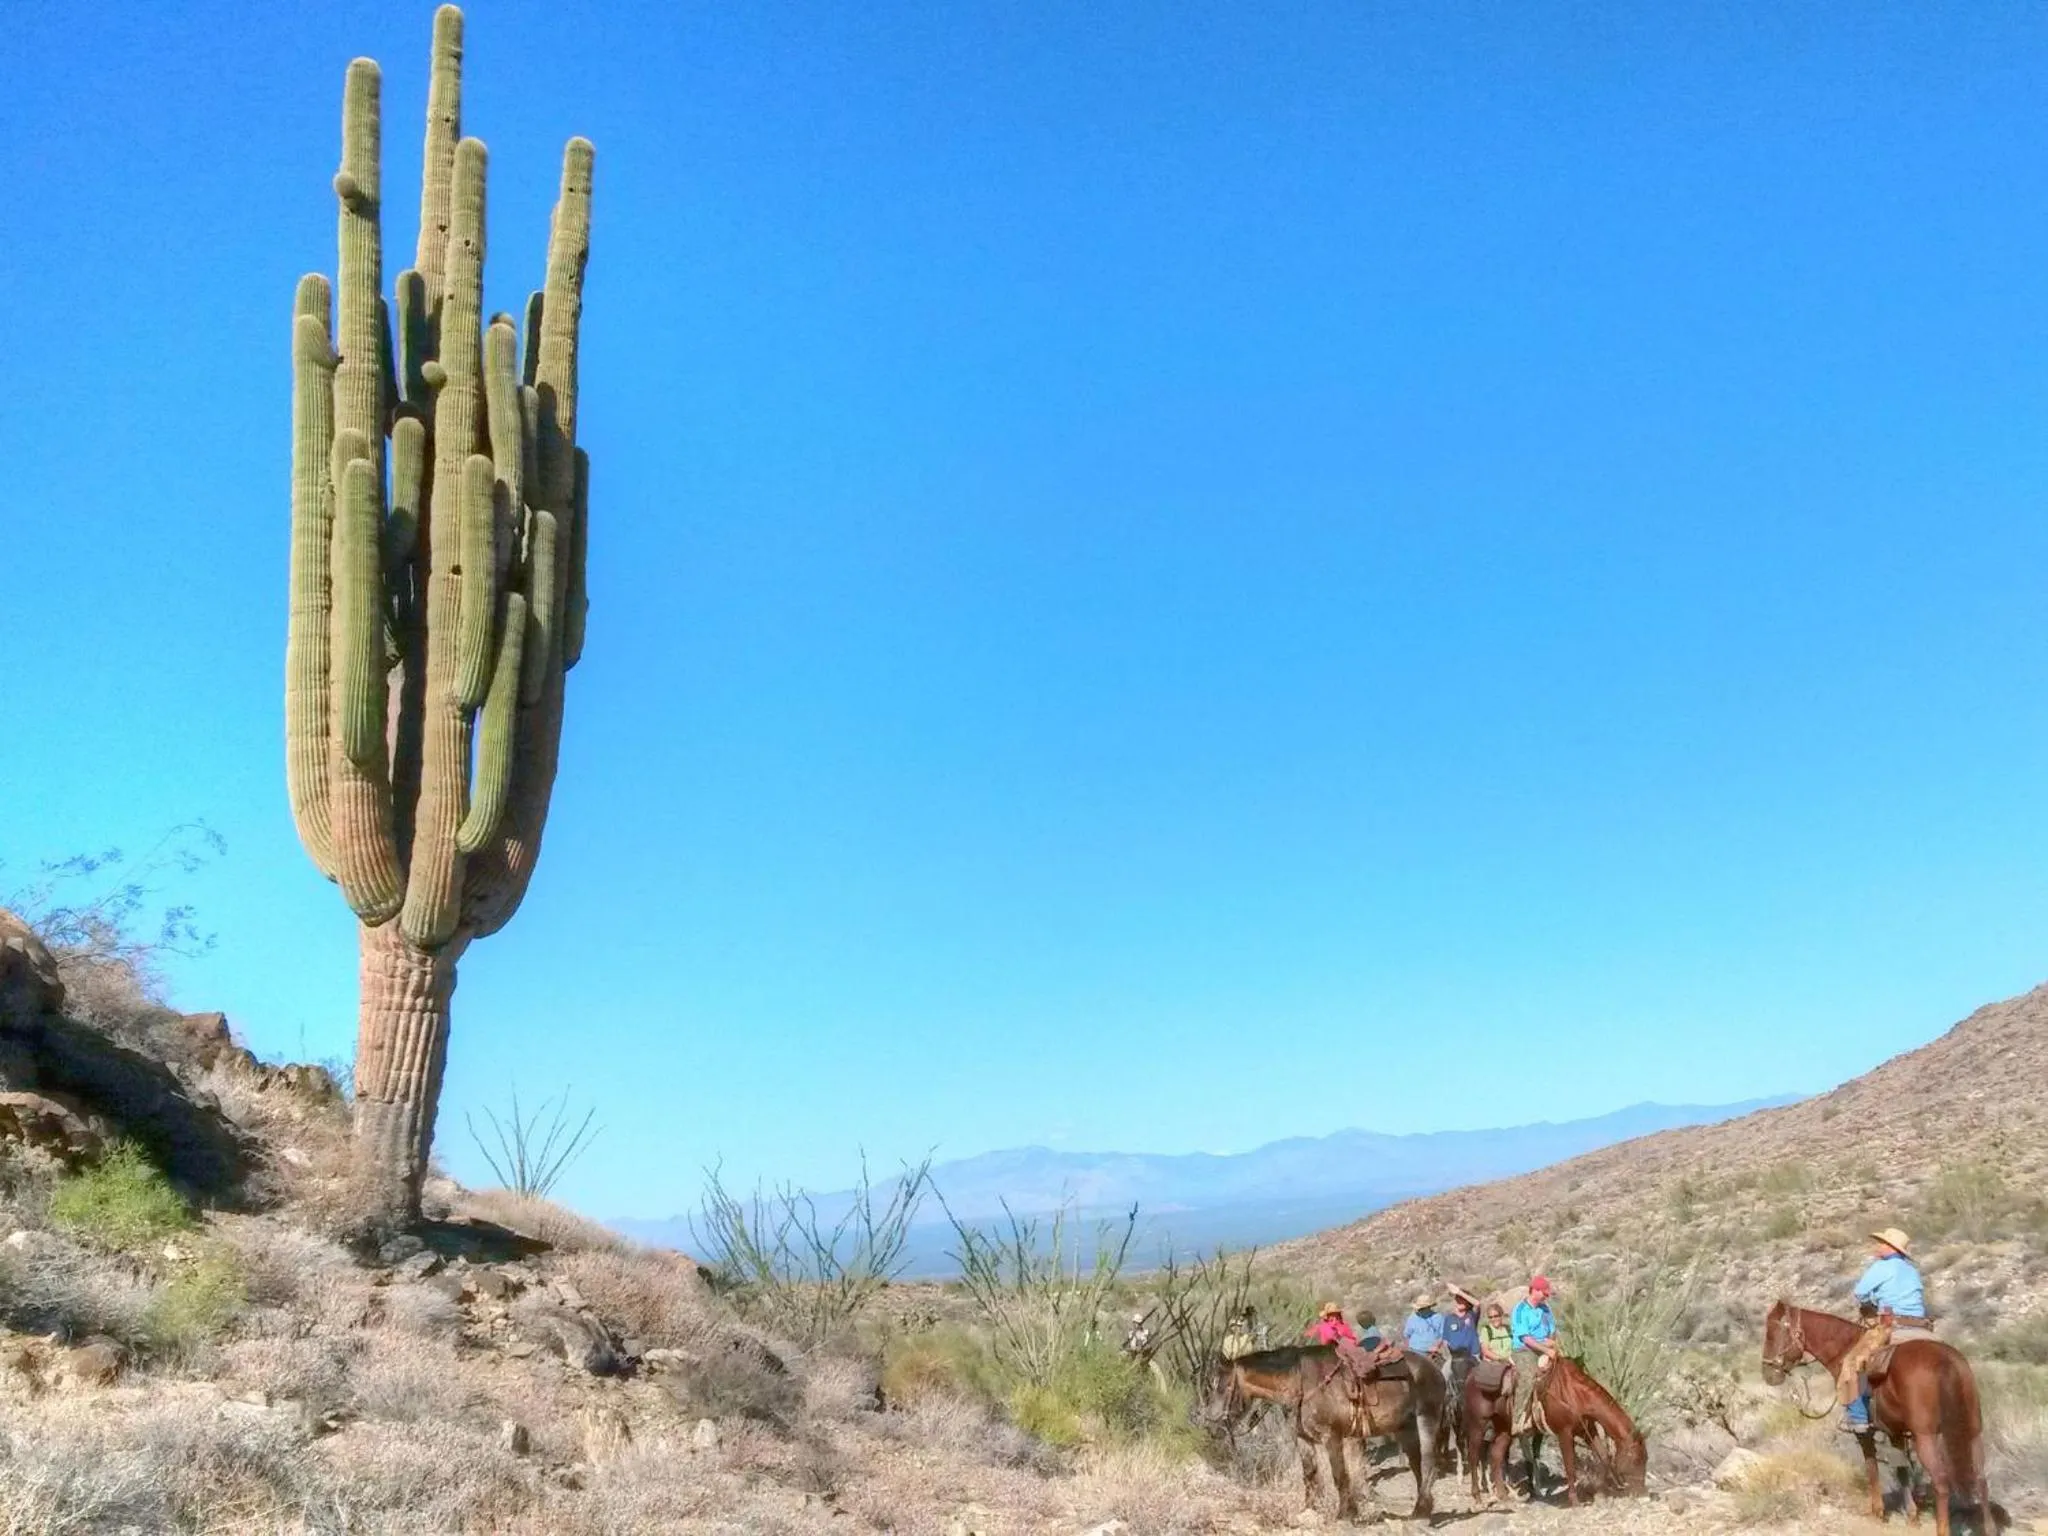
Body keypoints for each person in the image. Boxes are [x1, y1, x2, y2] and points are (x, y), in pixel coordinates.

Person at [1839, 1227, 1931, 1434]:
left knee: (1853, 1363)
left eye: (1882, 1243)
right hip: (1921, 1327)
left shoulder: (1881, 1266)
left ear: (1891, 1248)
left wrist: (1872, 1301)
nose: (1878, 1246)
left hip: (1893, 1326)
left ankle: (1858, 1417)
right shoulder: (1911, 1271)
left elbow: (1860, 1293)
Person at [1510, 1275, 1559, 1431]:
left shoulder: (1545, 1309)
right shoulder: (1520, 1310)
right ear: (1535, 1290)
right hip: (1525, 1350)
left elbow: (1552, 1330)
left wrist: (1551, 1344)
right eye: (1544, 1293)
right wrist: (1546, 1350)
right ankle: (1517, 1419)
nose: (1546, 1297)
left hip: (1545, 1347)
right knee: (1528, 1376)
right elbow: (1525, 1338)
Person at [1403, 1291, 1447, 1357]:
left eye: (1422, 1309)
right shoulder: (1412, 1318)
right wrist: (1408, 1349)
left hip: (1431, 1352)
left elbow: (1443, 1335)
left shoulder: (1438, 1317)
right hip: (1415, 1350)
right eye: (1419, 1309)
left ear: (1429, 1307)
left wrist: (1436, 1346)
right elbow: (1407, 1335)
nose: (1419, 1310)